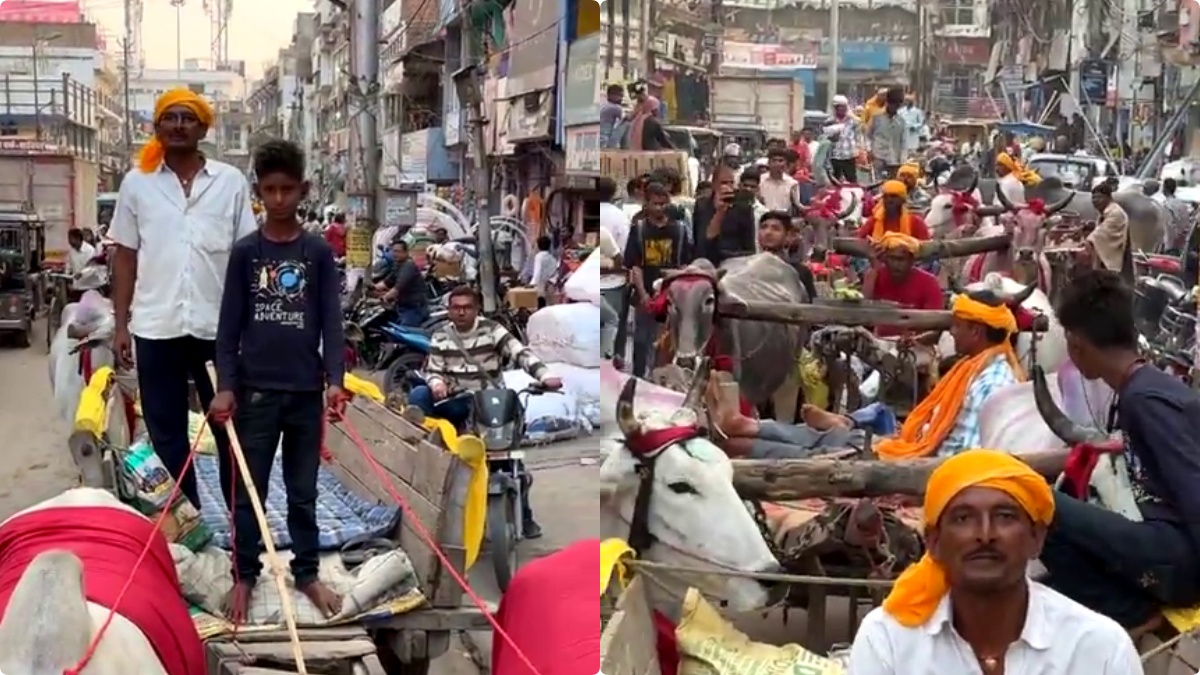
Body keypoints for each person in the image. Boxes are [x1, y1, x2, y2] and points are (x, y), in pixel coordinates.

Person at [849, 449, 1141, 674]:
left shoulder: (1098, 647)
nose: (985, 535)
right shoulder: (890, 639)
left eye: (1005, 517)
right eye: (963, 518)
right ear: (934, 541)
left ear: (1036, 538)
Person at [210, 138, 345, 622]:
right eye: (271, 189)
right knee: (248, 490)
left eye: (288, 189)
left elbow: (332, 319)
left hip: (306, 394)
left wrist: (335, 380)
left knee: (303, 490)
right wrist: (226, 386)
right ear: (259, 193)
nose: (280, 198)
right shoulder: (246, 253)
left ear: (303, 190)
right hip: (256, 395)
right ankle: (245, 575)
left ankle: (306, 573)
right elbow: (228, 328)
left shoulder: (317, 253)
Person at [109, 88, 257, 509]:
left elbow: (247, 255)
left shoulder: (229, 182)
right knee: (165, 432)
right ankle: (188, 520)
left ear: (202, 127)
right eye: (169, 118)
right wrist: (121, 324)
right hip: (157, 327)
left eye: (187, 118)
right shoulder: (137, 183)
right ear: (156, 127)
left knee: (231, 429)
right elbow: (125, 255)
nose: (177, 125)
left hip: (219, 329)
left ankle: (239, 521)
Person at [1038, 270, 1200, 630]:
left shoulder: (1144, 400)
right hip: (1172, 543)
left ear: (1076, 343)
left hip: (1183, 559)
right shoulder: (1150, 385)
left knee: (1035, 503)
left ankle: (1134, 614)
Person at [408, 286, 561, 538]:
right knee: (418, 395)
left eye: (466, 307)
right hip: (457, 401)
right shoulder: (441, 336)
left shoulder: (492, 330)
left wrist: (545, 375)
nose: (461, 312)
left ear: (476, 309)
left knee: (511, 457)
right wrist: (436, 383)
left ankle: (525, 514)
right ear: (448, 310)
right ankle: (425, 445)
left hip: (490, 402)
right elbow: (433, 369)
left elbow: (519, 353)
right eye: (455, 308)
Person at [874, 290, 1023, 459]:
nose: (951, 332)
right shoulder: (971, 367)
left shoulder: (992, 384)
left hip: (943, 469)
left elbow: (973, 455)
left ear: (975, 332)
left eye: (957, 325)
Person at [624, 181, 693, 378]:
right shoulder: (639, 230)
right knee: (641, 339)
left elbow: (684, 265)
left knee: (665, 341)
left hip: (670, 296)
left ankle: (659, 378)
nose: (660, 208)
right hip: (645, 293)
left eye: (664, 203)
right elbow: (635, 266)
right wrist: (644, 295)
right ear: (646, 204)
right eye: (655, 203)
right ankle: (637, 379)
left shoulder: (679, 230)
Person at [862, 232, 944, 337]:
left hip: (917, 345)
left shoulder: (929, 283)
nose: (896, 264)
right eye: (892, 258)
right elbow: (863, 309)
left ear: (912, 260)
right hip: (881, 342)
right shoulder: (875, 275)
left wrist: (914, 340)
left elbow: (935, 327)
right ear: (885, 259)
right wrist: (874, 268)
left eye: (901, 259)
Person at [693, 164, 758, 265]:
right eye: (724, 183)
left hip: (734, 262)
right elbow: (700, 241)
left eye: (731, 183)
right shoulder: (702, 205)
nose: (728, 187)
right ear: (714, 184)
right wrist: (720, 211)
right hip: (707, 261)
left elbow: (749, 247)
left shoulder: (743, 207)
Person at [758, 210, 817, 301]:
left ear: (788, 236)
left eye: (776, 229)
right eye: (764, 227)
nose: (768, 232)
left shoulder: (800, 272)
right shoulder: (747, 268)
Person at [856, 180, 932, 240]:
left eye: (894, 196)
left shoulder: (915, 222)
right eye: (886, 196)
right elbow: (859, 241)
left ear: (903, 200)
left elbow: (925, 248)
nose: (889, 200)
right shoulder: (873, 221)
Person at [375, 239, 428, 326]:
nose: (395, 254)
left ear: (406, 252)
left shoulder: (408, 266)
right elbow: (386, 283)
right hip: (401, 306)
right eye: (393, 251)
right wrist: (370, 288)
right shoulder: (397, 265)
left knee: (402, 331)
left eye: (398, 251)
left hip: (413, 308)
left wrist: (384, 298)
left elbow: (397, 289)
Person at [1087, 183, 1132, 283]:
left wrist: (1086, 242)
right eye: (1093, 198)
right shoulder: (1105, 213)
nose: (1095, 201)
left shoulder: (1116, 213)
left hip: (1114, 261)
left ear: (1108, 197)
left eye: (1098, 197)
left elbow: (1100, 235)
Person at [866, 88, 907, 178]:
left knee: (892, 186)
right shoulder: (876, 118)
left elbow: (904, 142)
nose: (895, 107)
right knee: (876, 185)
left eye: (897, 105)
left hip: (894, 160)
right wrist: (869, 151)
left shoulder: (901, 121)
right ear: (887, 102)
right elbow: (867, 136)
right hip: (878, 157)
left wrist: (903, 160)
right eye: (893, 104)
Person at [826, 95, 860, 183]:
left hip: (849, 156)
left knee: (852, 181)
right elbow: (826, 138)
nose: (841, 109)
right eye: (839, 106)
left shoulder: (852, 120)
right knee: (834, 182)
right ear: (835, 108)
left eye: (843, 106)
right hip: (835, 156)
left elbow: (858, 135)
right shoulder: (829, 121)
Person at [758, 148, 801, 213]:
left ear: (785, 163)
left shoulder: (793, 183)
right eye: (774, 160)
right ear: (768, 163)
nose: (777, 164)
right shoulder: (760, 180)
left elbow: (797, 204)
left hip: (783, 217)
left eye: (780, 161)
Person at [1160, 177, 1193, 254]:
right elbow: (1186, 223)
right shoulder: (1182, 204)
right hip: (1183, 243)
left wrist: (1167, 246)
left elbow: (1169, 227)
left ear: (1165, 189)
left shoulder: (1166, 206)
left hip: (1171, 246)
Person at [529, 235, 556, 309]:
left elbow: (537, 270)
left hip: (541, 282)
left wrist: (533, 283)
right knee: (549, 303)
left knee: (541, 301)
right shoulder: (552, 258)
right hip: (550, 283)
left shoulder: (538, 256)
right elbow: (555, 271)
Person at [599, 84, 626, 149]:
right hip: (604, 140)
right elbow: (628, 118)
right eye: (620, 95)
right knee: (626, 124)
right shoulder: (615, 108)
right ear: (611, 95)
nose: (621, 98)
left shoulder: (604, 105)